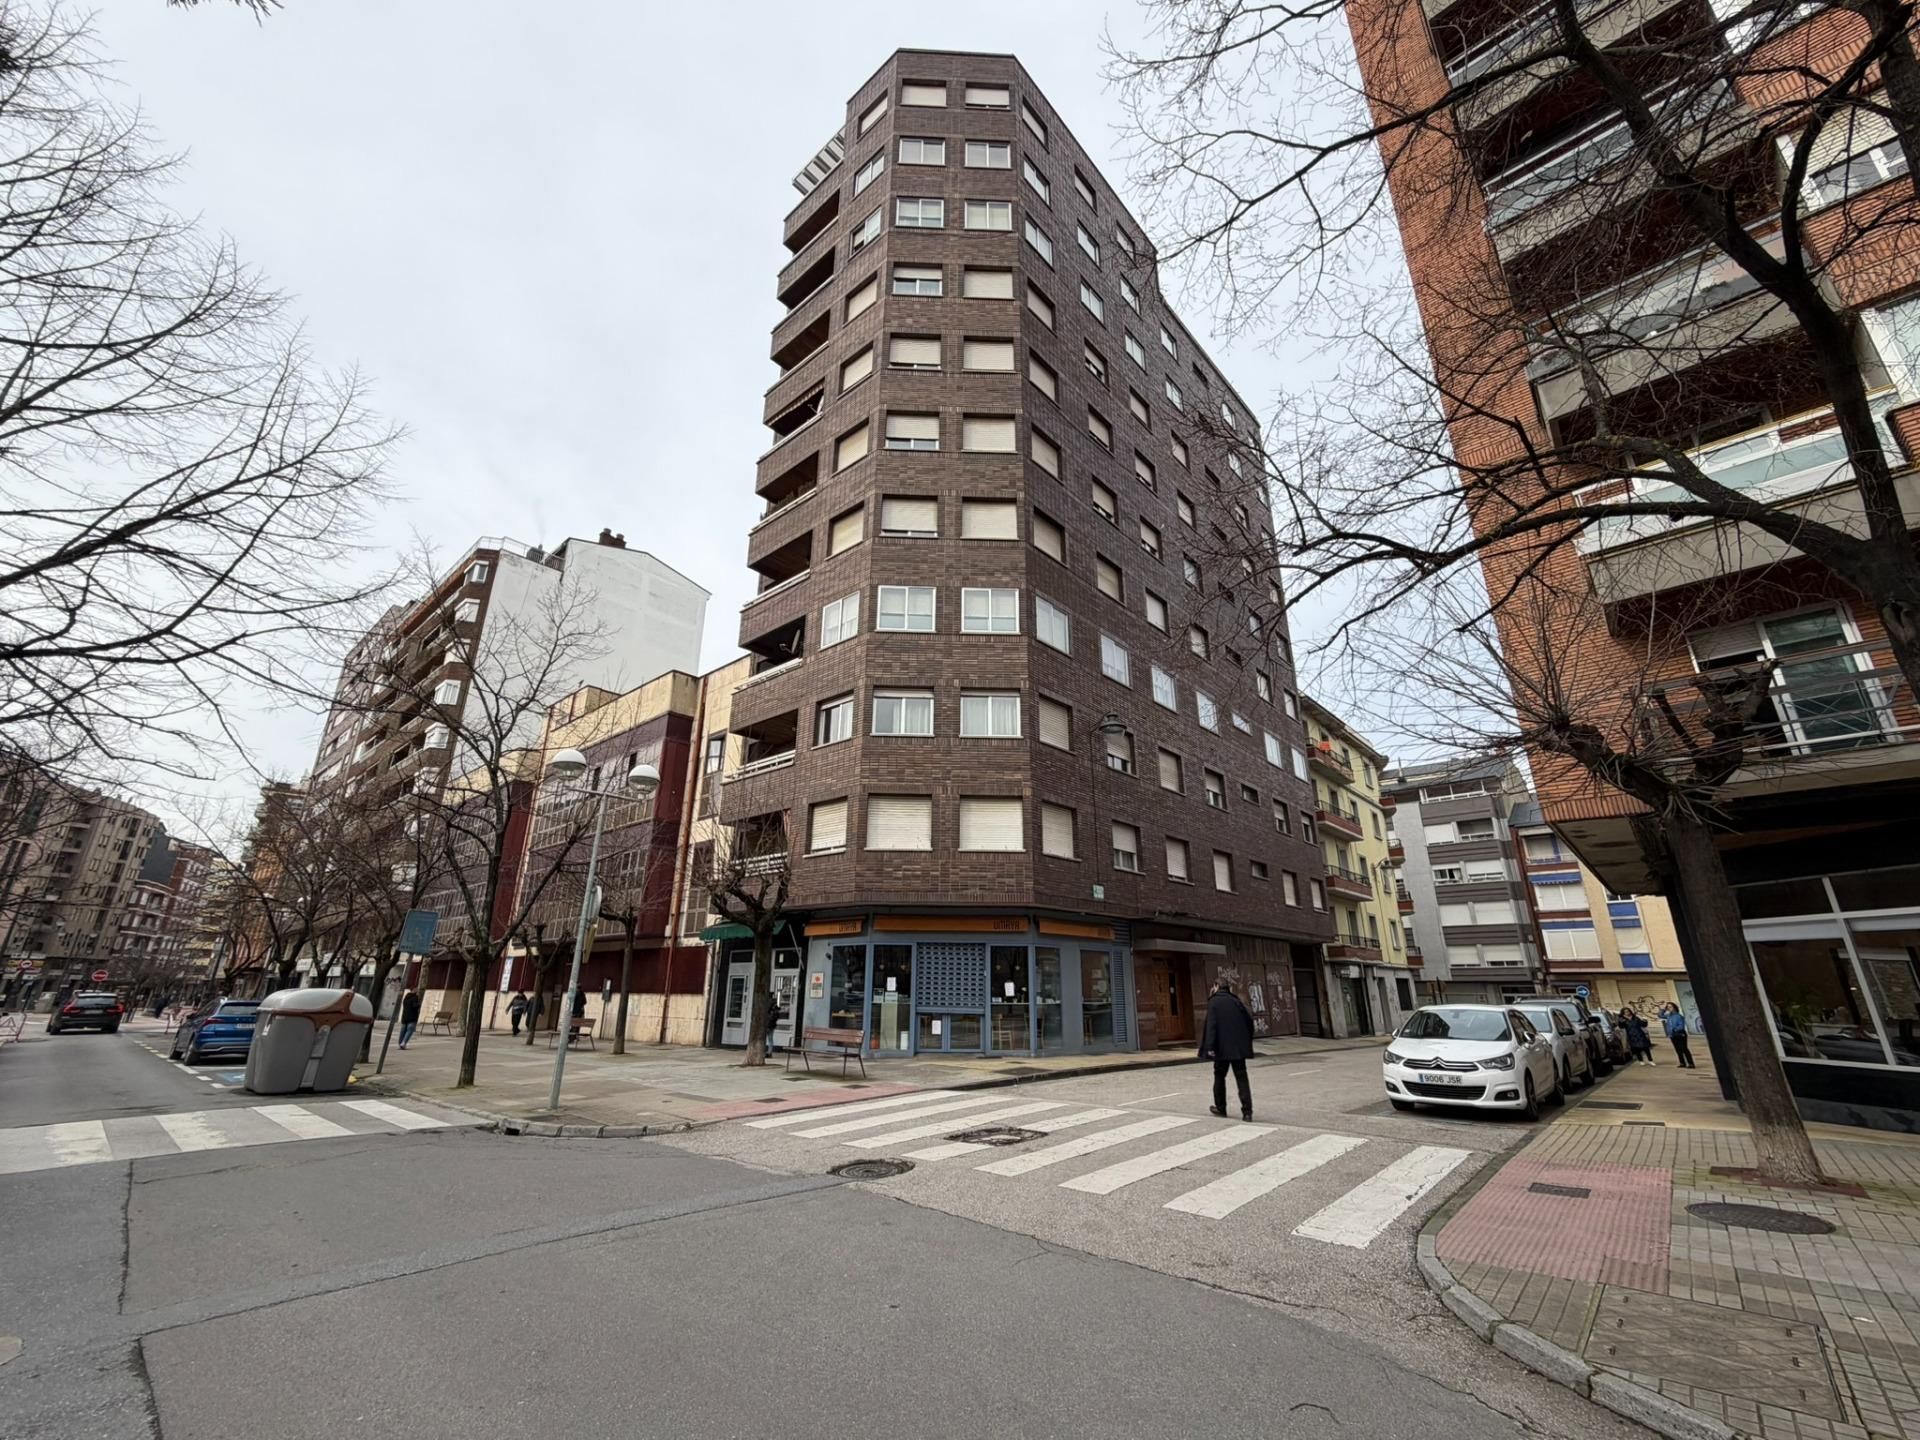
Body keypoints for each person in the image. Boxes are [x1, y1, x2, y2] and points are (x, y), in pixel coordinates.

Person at [1198, 977, 1257, 1121]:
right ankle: (1247, 1112)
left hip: (1222, 1048)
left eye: (1213, 986)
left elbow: (1211, 1026)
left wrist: (1210, 1047)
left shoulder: (1214, 1002)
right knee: (1241, 1077)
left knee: (1219, 1076)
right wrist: (1246, 1041)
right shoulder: (1236, 1001)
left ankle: (1221, 1107)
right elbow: (1249, 1022)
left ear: (1217, 986)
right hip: (1238, 1048)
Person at [1661, 1003, 1696, 1069]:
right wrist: (1663, 1009)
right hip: (1673, 1035)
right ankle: (1682, 1063)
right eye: (1668, 1007)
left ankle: (1691, 1063)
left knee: (1684, 1048)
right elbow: (1660, 1015)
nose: (1669, 1008)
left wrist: (1674, 1029)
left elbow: (1681, 1026)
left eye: (1670, 1007)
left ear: (1674, 1007)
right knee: (1678, 1049)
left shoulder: (1679, 1016)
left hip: (1680, 1034)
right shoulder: (1668, 1016)